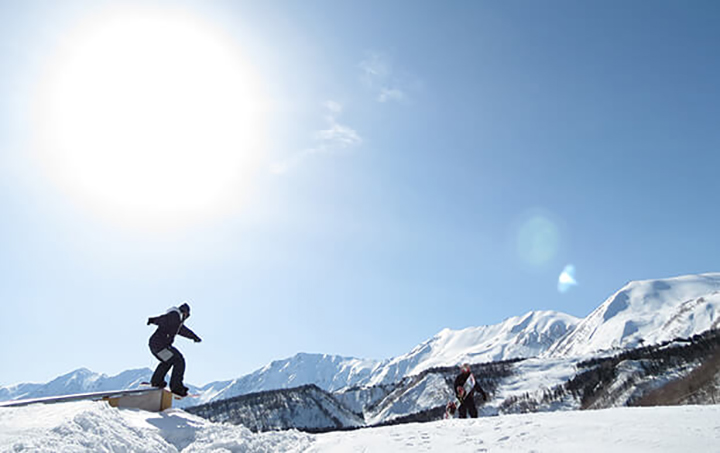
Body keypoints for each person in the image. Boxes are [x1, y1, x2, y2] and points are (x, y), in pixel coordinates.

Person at [147, 302, 201, 397]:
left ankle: (156, 381)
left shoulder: (177, 323)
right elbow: (164, 319)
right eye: (186, 315)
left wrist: (194, 337)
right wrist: (153, 320)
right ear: (183, 312)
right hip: (160, 345)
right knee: (179, 360)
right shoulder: (174, 315)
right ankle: (176, 388)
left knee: (168, 361)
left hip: (156, 345)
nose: (185, 317)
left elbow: (184, 331)